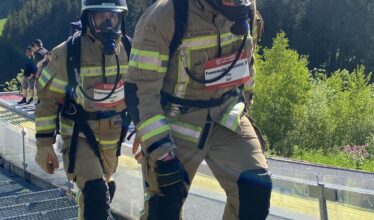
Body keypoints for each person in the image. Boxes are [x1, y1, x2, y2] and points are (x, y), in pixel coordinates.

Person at [124, 0, 272, 219]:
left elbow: (247, 64)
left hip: (227, 116)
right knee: (165, 206)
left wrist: (245, 107)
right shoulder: (165, 15)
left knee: (256, 191)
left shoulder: (247, 7)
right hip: (175, 123)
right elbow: (140, 91)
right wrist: (158, 149)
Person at [34, 0, 130, 219]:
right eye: (101, 16)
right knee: (96, 193)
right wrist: (43, 144)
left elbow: (142, 94)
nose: (108, 22)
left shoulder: (130, 50)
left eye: (113, 16)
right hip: (79, 135)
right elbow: (47, 99)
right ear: (88, 18)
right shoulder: (66, 53)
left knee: (103, 190)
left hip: (113, 138)